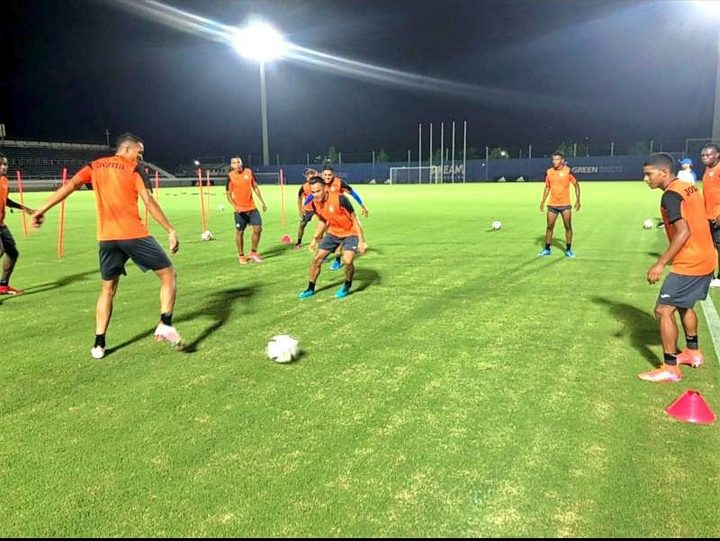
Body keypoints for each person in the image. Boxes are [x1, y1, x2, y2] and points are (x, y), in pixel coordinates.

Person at [30, 133, 183, 359]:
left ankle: (99, 343)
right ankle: (165, 323)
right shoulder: (133, 169)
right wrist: (170, 230)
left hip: (107, 239)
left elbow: (70, 186)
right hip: (133, 234)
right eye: (139, 153)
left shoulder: (95, 165)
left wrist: (40, 210)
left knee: (107, 289)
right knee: (168, 275)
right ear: (126, 149)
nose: (140, 158)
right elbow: (148, 201)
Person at [639, 153, 714, 382]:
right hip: (707, 255)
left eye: (649, 174)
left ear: (664, 172)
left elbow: (684, 232)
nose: (645, 179)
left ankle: (670, 368)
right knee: (684, 305)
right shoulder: (687, 187)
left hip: (690, 261)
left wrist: (660, 263)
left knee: (663, 310)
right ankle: (693, 352)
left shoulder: (670, 195)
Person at [298, 176, 367, 299]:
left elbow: (354, 220)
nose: (315, 195)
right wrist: (315, 238)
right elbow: (323, 221)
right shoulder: (314, 203)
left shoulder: (341, 199)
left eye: (318, 191)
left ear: (325, 188)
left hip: (350, 233)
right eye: (313, 192)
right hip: (333, 233)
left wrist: (362, 241)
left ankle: (347, 284)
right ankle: (310, 288)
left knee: (348, 260)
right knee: (317, 259)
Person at [305, 166, 369, 270]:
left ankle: (338, 259)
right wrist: (305, 206)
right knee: (329, 234)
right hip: (328, 214)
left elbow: (352, 193)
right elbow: (312, 196)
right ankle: (325, 253)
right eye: (325, 175)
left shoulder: (340, 183)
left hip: (343, 212)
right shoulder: (320, 186)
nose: (327, 177)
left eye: (329, 175)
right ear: (321, 175)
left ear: (333, 175)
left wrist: (362, 206)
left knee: (354, 225)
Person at [0, 152, 35, 295]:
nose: (3, 167)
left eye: (5, 164)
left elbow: (5, 200)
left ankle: (3, 286)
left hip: (1, 224)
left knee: (12, 253)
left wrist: (24, 208)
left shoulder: (4, 181)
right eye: (1, 164)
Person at [225, 157, 268, 264]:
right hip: (240, 210)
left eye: (238, 162)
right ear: (232, 166)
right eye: (234, 163)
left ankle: (253, 252)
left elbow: (255, 187)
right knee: (240, 232)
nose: (237, 164)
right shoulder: (230, 176)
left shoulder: (248, 172)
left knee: (258, 229)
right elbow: (228, 194)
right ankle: (241, 255)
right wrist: (235, 206)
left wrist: (262, 202)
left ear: (242, 163)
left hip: (252, 208)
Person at [538, 152, 581, 257]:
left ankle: (568, 249)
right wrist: (543, 201)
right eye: (553, 160)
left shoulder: (568, 171)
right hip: (552, 205)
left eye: (557, 159)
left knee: (568, 226)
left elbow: (576, 185)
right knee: (549, 227)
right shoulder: (549, 172)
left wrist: (578, 200)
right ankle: (547, 249)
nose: (555, 162)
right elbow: (547, 187)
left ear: (562, 160)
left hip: (565, 205)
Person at [699, 144, 720, 287]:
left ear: (717, 155)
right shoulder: (708, 169)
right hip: (708, 215)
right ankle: (710, 275)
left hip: (718, 215)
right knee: (709, 246)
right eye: (703, 155)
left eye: (708, 155)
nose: (705, 158)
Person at [295, 168, 318, 249]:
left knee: (321, 226)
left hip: (319, 209)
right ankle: (298, 242)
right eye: (310, 177)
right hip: (308, 210)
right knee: (302, 225)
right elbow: (299, 199)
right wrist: (300, 210)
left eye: (313, 177)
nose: (311, 179)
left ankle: (321, 243)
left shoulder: (319, 185)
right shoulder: (304, 187)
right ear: (307, 178)